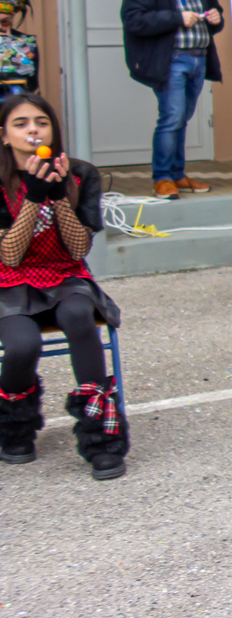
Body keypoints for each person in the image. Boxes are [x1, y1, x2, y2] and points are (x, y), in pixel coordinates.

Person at [0, 95, 125, 480]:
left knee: (78, 315)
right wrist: (33, 197)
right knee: (23, 345)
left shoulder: (81, 174)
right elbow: (9, 256)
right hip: (9, 282)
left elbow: (79, 249)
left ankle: (101, 438)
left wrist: (57, 198)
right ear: (4, 135)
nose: (33, 130)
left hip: (66, 275)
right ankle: (15, 424)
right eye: (21, 123)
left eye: (41, 122)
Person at [120, 0, 224, 199]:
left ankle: (177, 175)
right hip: (172, 61)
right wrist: (176, 17)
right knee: (172, 118)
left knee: (182, 119)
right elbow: (134, 20)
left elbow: (214, 14)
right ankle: (162, 178)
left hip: (199, 59)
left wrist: (216, 17)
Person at [0, 0, 38, 97]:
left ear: (13, 14)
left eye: (4, 21)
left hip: (17, 102)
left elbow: (33, 85)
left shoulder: (25, 43)